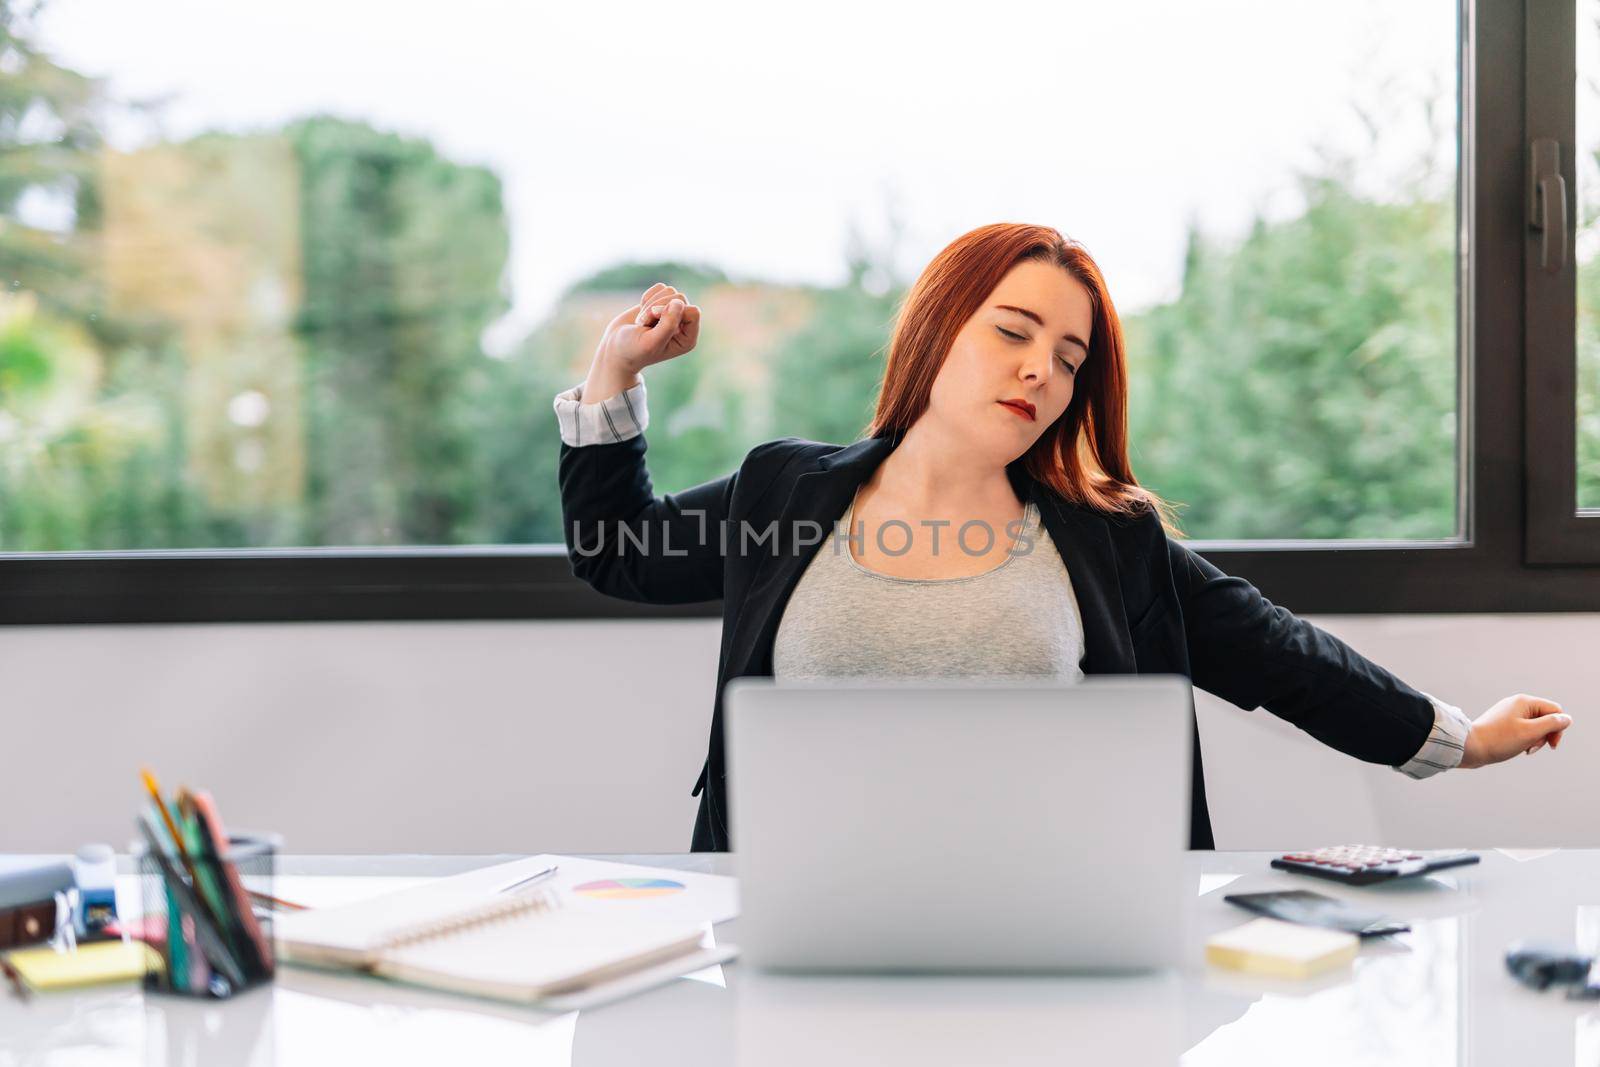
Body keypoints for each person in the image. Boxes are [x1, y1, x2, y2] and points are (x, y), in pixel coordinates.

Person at [553, 222, 1573, 852]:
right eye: (1012, 329)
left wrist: (1458, 738)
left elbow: (1274, 652)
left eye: (1069, 354)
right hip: (788, 916)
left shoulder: (1103, 538)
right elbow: (620, 552)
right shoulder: (786, 487)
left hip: (1042, 925)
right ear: (937, 328)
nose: (1039, 367)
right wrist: (614, 377)